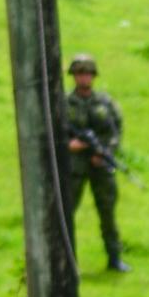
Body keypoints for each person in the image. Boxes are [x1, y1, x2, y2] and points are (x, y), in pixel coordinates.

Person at [60, 51, 128, 273]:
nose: (84, 78)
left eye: (87, 73)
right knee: (66, 215)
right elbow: (53, 132)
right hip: (75, 167)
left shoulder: (105, 103)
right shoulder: (64, 103)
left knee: (107, 213)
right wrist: (68, 145)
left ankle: (114, 258)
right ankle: (68, 262)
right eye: (80, 73)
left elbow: (116, 131)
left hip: (100, 166)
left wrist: (104, 152)